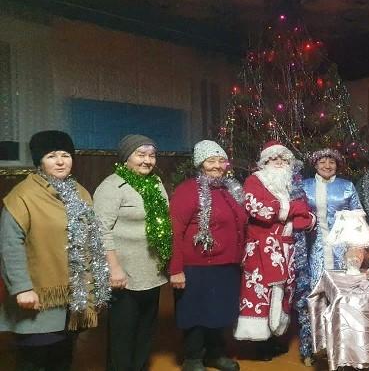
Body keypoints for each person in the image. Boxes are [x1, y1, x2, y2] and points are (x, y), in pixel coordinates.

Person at [0, 130, 110, 370]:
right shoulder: (23, 196)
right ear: (39, 161)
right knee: (35, 358)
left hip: (74, 296)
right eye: (51, 156)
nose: (60, 161)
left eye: (65, 155)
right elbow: (9, 245)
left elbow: (92, 240)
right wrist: (22, 288)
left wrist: (97, 284)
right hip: (39, 296)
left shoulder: (80, 192)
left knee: (63, 356)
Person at [93, 134, 171, 371]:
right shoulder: (112, 186)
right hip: (124, 274)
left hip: (151, 271)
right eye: (141, 154)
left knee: (146, 329)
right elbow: (100, 231)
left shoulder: (156, 183)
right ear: (126, 158)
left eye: (152, 155)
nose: (147, 160)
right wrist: (114, 268)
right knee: (123, 332)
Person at [169, 140, 247, 371]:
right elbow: (175, 231)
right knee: (195, 313)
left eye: (221, 161)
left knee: (220, 311)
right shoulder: (187, 191)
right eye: (211, 161)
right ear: (200, 164)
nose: (217, 166)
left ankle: (216, 353)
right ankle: (193, 357)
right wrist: (176, 269)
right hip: (197, 266)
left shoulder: (231, 189)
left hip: (227, 264)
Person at [233, 141, 315, 360]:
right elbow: (259, 210)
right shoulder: (254, 180)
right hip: (261, 249)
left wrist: (299, 215)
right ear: (265, 162)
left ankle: (275, 336)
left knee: (284, 292)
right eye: (274, 158)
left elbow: (305, 214)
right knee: (261, 293)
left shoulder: (293, 183)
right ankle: (260, 342)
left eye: (283, 159)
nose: (279, 162)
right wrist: (290, 209)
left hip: (287, 248)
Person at [294, 148, 362, 366]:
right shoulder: (304, 186)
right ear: (315, 165)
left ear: (337, 166)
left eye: (331, 162)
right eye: (322, 162)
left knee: (342, 296)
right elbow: (296, 215)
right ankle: (311, 348)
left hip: (341, 250)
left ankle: (344, 347)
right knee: (314, 295)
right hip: (313, 249)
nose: (327, 166)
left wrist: (355, 248)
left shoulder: (347, 186)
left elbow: (358, 218)